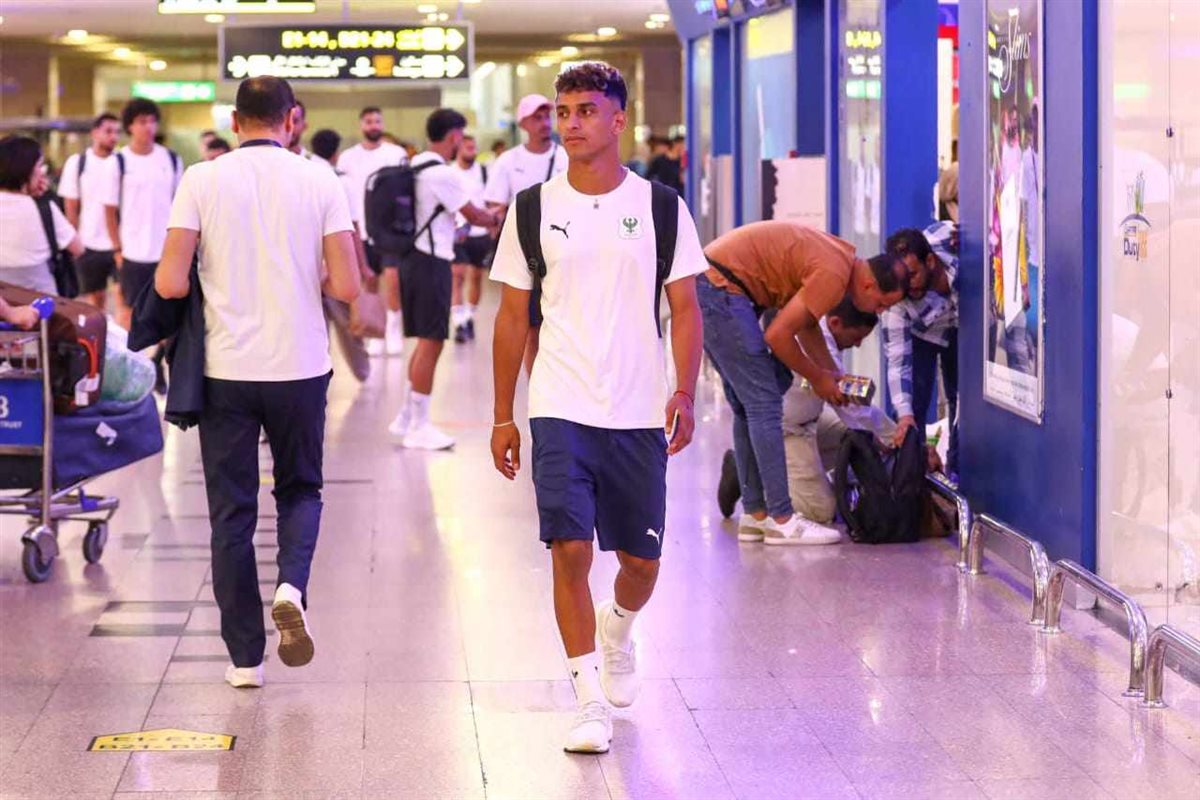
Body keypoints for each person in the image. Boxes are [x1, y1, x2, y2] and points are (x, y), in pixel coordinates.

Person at [490, 62, 706, 754]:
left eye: (586, 110)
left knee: (641, 564)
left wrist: (683, 390)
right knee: (571, 548)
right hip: (559, 402)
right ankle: (588, 703)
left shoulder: (661, 207)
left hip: (637, 409)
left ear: (619, 120)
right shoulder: (532, 208)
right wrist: (503, 414)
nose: (571, 122)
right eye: (563, 111)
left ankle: (619, 627)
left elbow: (685, 307)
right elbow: (511, 317)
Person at [154, 76, 361, 690]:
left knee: (231, 515)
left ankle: (245, 659)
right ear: (291, 120)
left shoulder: (201, 179)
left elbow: (169, 282)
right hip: (299, 366)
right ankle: (291, 586)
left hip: (225, 371)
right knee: (301, 489)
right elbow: (347, 285)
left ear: (235, 121)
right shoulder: (320, 180)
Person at [700, 221, 908, 545]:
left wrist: (831, 374)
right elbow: (778, 335)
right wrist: (818, 378)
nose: (879, 312)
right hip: (722, 290)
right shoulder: (834, 275)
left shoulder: (841, 259)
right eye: (881, 304)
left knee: (746, 405)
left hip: (713, 285)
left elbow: (806, 326)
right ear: (868, 285)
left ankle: (755, 516)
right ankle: (782, 520)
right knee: (764, 402)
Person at [718, 298, 898, 523]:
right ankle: (746, 472)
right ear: (835, 322)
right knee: (821, 511)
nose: (858, 345)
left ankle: (762, 467)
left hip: (810, 422)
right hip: (785, 430)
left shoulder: (817, 331)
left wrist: (882, 435)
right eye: (856, 337)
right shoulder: (815, 344)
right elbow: (848, 406)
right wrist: (895, 435)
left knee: (855, 437)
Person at [386, 109, 497, 450]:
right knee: (432, 342)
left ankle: (408, 414)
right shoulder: (443, 174)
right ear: (453, 137)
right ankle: (419, 425)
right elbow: (474, 215)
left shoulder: (415, 166)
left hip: (412, 260)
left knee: (424, 341)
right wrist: (499, 216)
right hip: (432, 264)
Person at [484, 93, 569, 374]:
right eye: (536, 118)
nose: (544, 123)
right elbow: (495, 203)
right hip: (526, 252)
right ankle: (536, 386)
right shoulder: (508, 161)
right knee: (532, 326)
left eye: (547, 116)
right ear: (523, 123)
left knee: (560, 322)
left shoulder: (565, 157)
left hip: (563, 247)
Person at [882, 222, 959, 478]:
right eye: (901, 278)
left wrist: (977, 238)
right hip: (923, 334)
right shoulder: (897, 301)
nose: (907, 284)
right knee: (912, 406)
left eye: (913, 274)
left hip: (965, 328)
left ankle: (957, 473)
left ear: (930, 261)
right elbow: (897, 364)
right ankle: (912, 476)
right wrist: (905, 416)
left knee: (962, 399)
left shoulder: (949, 239)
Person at [105, 97, 182, 329]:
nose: (148, 127)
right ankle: (131, 352)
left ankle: (163, 353)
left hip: (165, 249)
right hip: (132, 250)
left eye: (151, 121)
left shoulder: (170, 159)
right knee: (130, 311)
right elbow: (109, 210)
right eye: (141, 122)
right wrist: (117, 249)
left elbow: (180, 204)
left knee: (168, 311)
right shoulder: (119, 161)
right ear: (130, 126)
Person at [337, 107, 408, 357]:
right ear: (361, 125)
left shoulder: (396, 154)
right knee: (370, 281)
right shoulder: (347, 158)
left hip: (390, 230)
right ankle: (376, 329)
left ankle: (394, 329)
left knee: (393, 280)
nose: (373, 125)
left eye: (377, 121)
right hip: (360, 229)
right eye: (368, 121)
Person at [307, 125, 374, 383]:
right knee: (349, 324)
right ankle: (362, 371)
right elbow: (352, 228)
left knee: (315, 328)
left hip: (309, 267)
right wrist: (362, 266)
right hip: (335, 266)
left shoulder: (305, 175)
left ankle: (318, 375)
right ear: (336, 152)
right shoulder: (341, 180)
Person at [0, 135, 84, 294]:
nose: (42, 172)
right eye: (39, 166)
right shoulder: (42, 208)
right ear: (26, 171)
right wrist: (45, 197)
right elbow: (78, 248)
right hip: (40, 301)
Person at [59, 112, 121, 308]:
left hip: (121, 243)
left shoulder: (122, 163)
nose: (113, 137)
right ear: (95, 133)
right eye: (108, 131)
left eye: (117, 132)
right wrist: (74, 241)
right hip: (89, 243)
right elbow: (71, 205)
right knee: (95, 301)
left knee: (123, 296)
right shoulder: (78, 163)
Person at [450, 133, 492, 343]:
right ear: (458, 149)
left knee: (476, 277)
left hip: (480, 233)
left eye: (474, 147)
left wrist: (493, 224)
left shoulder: (484, 172)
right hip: (457, 233)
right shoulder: (449, 172)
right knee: (457, 275)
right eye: (467, 147)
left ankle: (468, 317)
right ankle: (459, 323)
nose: (472, 151)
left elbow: (492, 200)